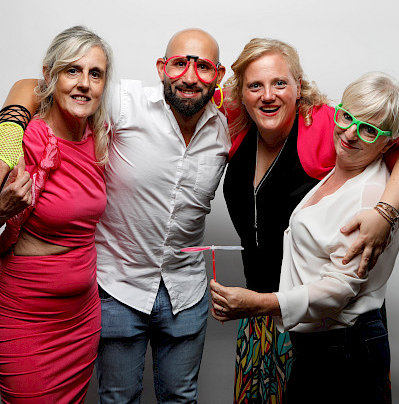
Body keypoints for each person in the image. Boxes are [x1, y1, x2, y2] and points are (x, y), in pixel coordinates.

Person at [0, 28, 230, 403]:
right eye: (179, 64)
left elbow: (275, 105)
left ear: (218, 75)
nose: (190, 77)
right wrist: (8, 134)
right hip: (117, 289)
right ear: (162, 68)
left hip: (183, 293)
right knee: (117, 399)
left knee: (182, 397)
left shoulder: (228, 126)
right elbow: (35, 86)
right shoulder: (124, 103)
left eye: (203, 66)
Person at [210, 39, 399, 403]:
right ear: (240, 92)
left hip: (313, 313)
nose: (267, 94)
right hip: (257, 311)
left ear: (299, 86)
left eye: (280, 83)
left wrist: (385, 212)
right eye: (255, 85)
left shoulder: (329, 123)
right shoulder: (236, 124)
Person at [0, 25, 113, 403]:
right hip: (26, 318)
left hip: (81, 319)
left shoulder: (99, 137)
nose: (84, 83)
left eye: (95, 74)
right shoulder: (24, 138)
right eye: (72, 70)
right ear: (50, 75)